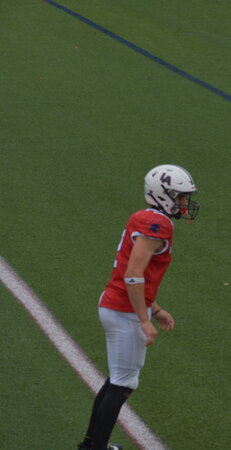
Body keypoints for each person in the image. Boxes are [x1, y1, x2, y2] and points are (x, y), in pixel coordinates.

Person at [77, 164, 199, 450]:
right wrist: (144, 319)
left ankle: (91, 445)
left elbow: (134, 272)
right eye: (180, 196)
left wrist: (154, 308)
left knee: (117, 381)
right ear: (163, 194)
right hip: (124, 310)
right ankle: (95, 448)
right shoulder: (158, 225)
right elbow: (133, 275)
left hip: (117, 304)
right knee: (122, 385)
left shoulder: (145, 217)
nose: (184, 203)